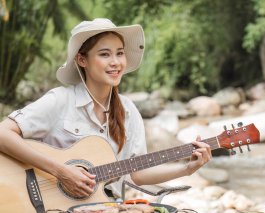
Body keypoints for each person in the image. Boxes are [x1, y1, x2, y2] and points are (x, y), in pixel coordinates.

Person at [0, 18, 211, 199]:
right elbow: (3, 134)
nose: (115, 62)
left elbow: (136, 173)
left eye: (120, 53)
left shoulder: (128, 111)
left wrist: (187, 168)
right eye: (104, 54)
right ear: (82, 60)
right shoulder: (60, 100)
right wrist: (62, 171)